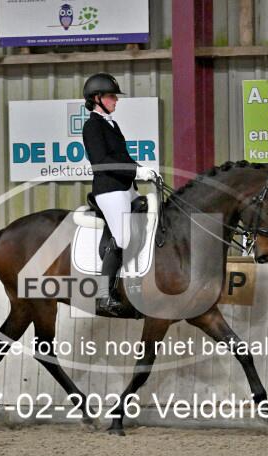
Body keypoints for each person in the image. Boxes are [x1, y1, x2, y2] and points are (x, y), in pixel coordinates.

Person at [82, 72, 158, 316]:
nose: (116, 100)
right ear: (97, 98)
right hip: (109, 190)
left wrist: (144, 170)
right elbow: (101, 161)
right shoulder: (92, 126)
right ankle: (104, 295)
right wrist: (135, 171)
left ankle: (137, 282)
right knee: (123, 238)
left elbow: (122, 157)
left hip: (125, 187)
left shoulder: (112, 124)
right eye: (111, 96)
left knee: (149, 220)